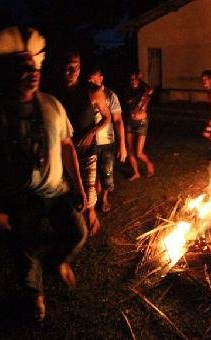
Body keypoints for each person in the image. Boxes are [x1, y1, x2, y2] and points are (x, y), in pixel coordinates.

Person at [0, 27, 88, 321]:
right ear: (7, 73)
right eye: (23, 67)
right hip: (20, 198)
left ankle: (59, 261)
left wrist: (79, 186)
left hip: (56, 190)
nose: (32, 71)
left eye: (34, 66)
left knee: (77, 233)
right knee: (25, 251)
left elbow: (67, 146)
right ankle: (35, 297)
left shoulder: (51, 104)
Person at [55, 51, 111, 236]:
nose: (71, 71)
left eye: (75, 67)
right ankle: (73, 228)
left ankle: (91, 218)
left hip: (87, 152)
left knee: (88, 192)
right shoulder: (54, 93)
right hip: (62, 153)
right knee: (67, 191)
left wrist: (92, 132)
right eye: (67, 67)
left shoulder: (93, 91)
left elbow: (107, 118)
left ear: (80, 67)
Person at [88, 66, 127, 212]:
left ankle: (104, 198)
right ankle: (94, 199)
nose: (91, 82)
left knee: (107, 173)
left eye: (94, 79)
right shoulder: (86, 94)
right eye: (89, 79)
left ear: (101, 78)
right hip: (90, 143)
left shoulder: (110, 95)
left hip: (107, 142)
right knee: (93, 174)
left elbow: (117, 120)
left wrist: (122, 145)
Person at [123, 69, 155, 181]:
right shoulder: (127, 91)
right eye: (131, 79)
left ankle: (149, 164)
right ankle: (136, 173)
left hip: (142, 122)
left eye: (135, 79)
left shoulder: (144, 91)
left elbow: (151, 90)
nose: (132, 81)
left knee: (139, 153)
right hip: (130, 123)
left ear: (138, 79)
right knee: (130, 149)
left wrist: (141, 80)